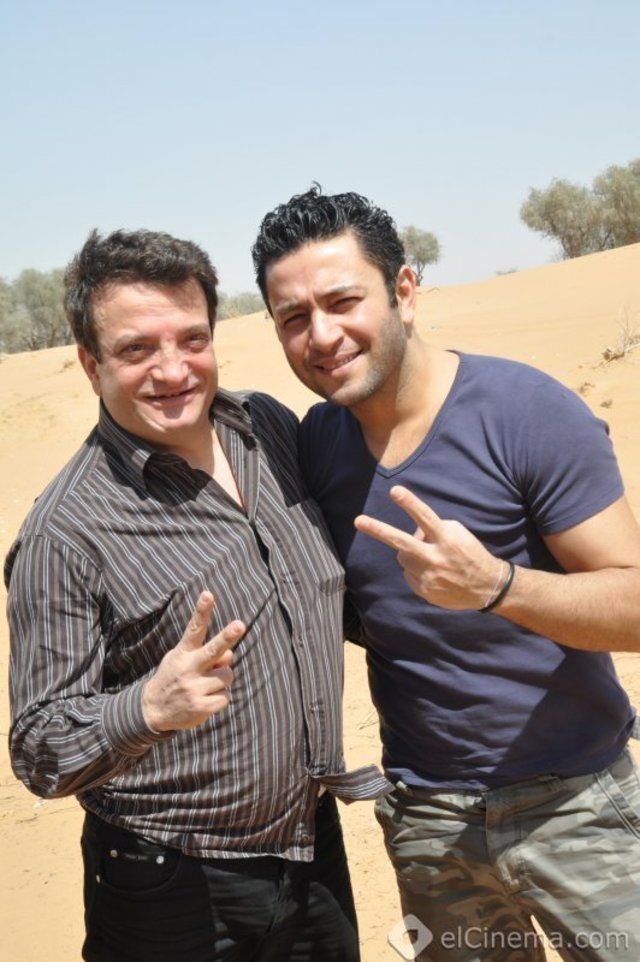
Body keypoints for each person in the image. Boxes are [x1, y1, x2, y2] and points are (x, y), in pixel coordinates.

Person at [251, 187, 640, 961]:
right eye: (294, 318)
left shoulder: (526, 412)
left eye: (343, 302)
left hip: (578, 809)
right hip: (429, 825)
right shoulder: (316, 444)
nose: (322, 336)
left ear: (404, 290)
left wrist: (498, 586)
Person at [5, 228, 389, 962]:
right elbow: (39, 748)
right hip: (172, 883)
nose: (173, 370)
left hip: (311, 846)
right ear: (90, 364)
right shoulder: (65, 534)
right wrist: (148, 708)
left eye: (192, 339)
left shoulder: (266, 429)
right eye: (136, 349)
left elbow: (326, 597)